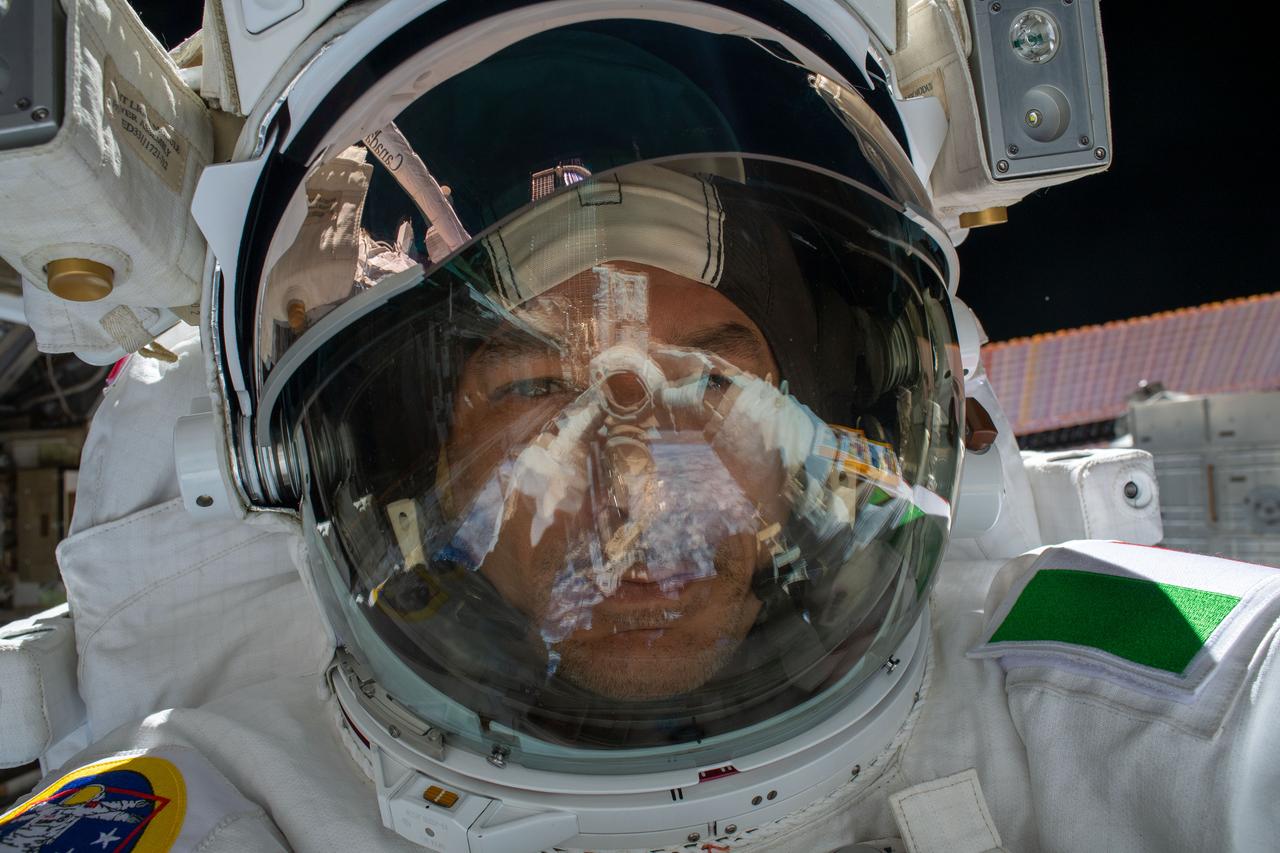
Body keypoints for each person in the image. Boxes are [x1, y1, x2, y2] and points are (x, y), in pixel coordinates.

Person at [2, 5, 1277, 852]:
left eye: (707, 388)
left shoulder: (1084, 701)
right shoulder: (239, 794)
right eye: (534, 396)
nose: (637, 497)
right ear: (398, 474)